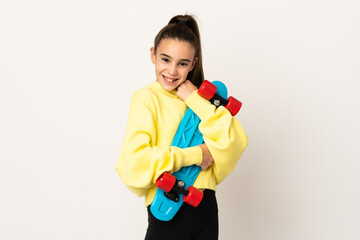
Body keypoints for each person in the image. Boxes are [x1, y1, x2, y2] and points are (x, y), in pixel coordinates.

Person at [115, 14, 248, 240]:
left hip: (206, 210)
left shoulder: (200, 100)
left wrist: (196, 100)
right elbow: (134, 162)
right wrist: (197, 154)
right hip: (168, 210)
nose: (172, 71)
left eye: (182, 63)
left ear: (193, 64)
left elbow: (234, 145)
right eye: (165, 60)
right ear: (153, 55)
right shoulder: (146, 98)